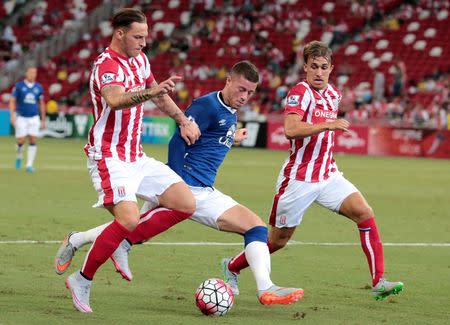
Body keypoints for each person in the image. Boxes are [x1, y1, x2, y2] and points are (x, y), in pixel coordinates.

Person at [55, 61, 304, 308]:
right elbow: (178, 141)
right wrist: (174, 186)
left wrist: (232, 138)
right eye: (241, 89)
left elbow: (207, 140)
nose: (245, 96)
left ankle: (265, 288)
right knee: (128, 229)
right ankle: (78, 247)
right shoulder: (207, 105)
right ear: (228, 80)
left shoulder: (229, 111)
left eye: (250, 92)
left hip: (205, 190)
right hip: (183, 186)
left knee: (256, 227)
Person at [221, 41, 404, 301]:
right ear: (305, 67)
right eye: (314, 66)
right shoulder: (300, 92)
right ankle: (231, 266)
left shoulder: (334, 95)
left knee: (364, 213)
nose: (319, 72)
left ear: (331, 69)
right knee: (277, 241)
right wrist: (327, 125)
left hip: (328, 175)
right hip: (299, 179)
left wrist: (327, 128)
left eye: (324, 67)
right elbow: (291, 129)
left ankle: (379, 281)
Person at [58, 8, 201, 313]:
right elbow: (115, 99)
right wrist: (149, 91)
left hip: (135, 156)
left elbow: (159, 96)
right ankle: (82, 279)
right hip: (108, 156)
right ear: (120, 33)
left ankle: (118, 242)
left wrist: (182, 120)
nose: (144, 43)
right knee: (127, 219)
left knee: (185, 203)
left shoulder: (141, 60)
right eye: (138, 36)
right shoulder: (106, 65)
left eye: (146, 37)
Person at [9, 65, 46, 172]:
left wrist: (43, 119)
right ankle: (19, 156)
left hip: (34, 117)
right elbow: (12, 101)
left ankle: (29, 165)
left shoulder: (38, 87)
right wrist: (12, 115)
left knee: (33, 139)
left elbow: (41, 103)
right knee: (20, 141)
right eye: (31, 73)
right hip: (21, 117)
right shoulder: (19, 86)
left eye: (34, 73)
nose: (33, 75)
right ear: (26, 73)